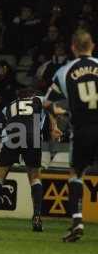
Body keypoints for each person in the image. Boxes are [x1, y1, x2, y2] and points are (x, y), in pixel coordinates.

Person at [0, 88, 61, 231]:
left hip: (12, 137)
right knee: (35, 177)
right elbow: (51, 106)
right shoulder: (38, 100)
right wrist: (54, 127)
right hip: (32, 137)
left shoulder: (8, 107)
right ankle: (36, 217)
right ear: (32, 95)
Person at [45, 29, 98, 242]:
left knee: (76, 174)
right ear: (92, 45)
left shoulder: (64, 72)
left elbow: (47, 103)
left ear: (73, 48)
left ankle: (77, 221)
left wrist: (62, 114)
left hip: (82, 129)